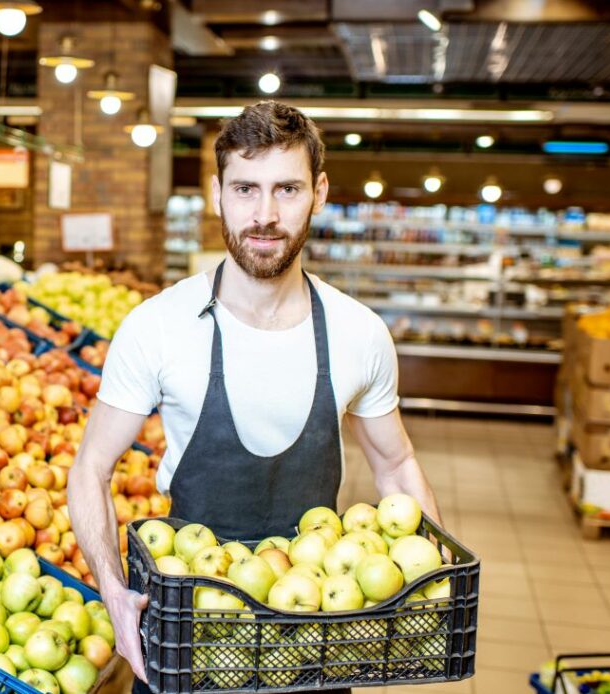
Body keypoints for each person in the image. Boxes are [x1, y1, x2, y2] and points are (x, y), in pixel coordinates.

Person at [66, 101, 442, 692]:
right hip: (188, 640)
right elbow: (90, 469)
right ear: (217, 193)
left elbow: (396, 464)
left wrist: (430, 587)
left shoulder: (358, 332)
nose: (264, 215)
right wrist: (113, 593)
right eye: (245, 189)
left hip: (313, 642)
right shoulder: (159, 325)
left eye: (287, 189)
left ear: (318, 193)